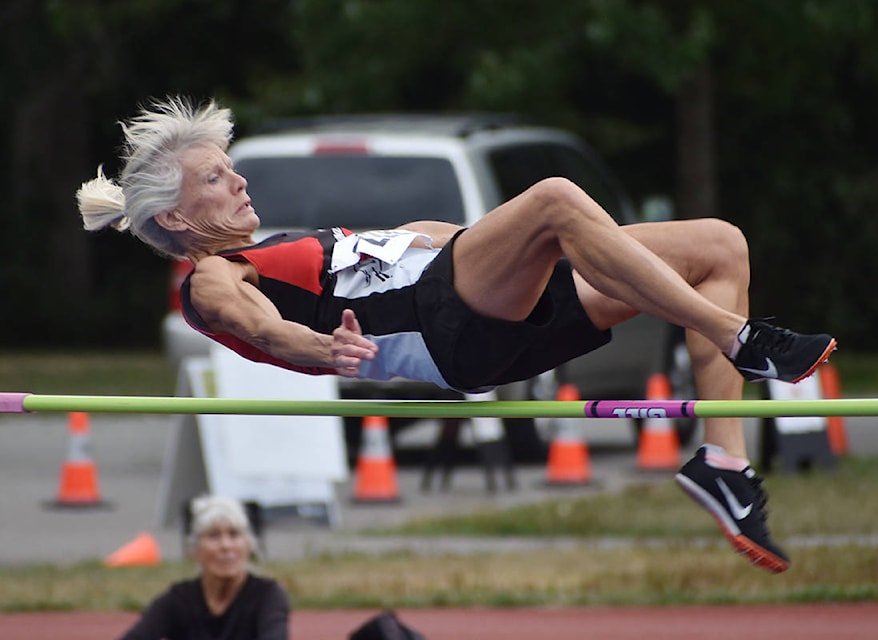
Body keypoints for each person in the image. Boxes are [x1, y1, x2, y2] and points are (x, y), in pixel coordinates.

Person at [79, 97, 836, 573]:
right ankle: (741, 339)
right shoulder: (211, 275)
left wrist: (473, 241)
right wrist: (320, 350)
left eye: (230, 167)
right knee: (554, 200)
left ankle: (724, 468)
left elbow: (408, 246)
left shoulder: (286, 243)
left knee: (719, 245)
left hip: (482, 310)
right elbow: (263, 332)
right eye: (214, 179)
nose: (239, 181)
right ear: (176, 219)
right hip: (450, 328)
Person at [118, 495, 289, 640]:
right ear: (195, 550)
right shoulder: (179, 600)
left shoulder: (267, 596)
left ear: (248, 545)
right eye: (214, 536)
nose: (226, 546)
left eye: (234, 534)